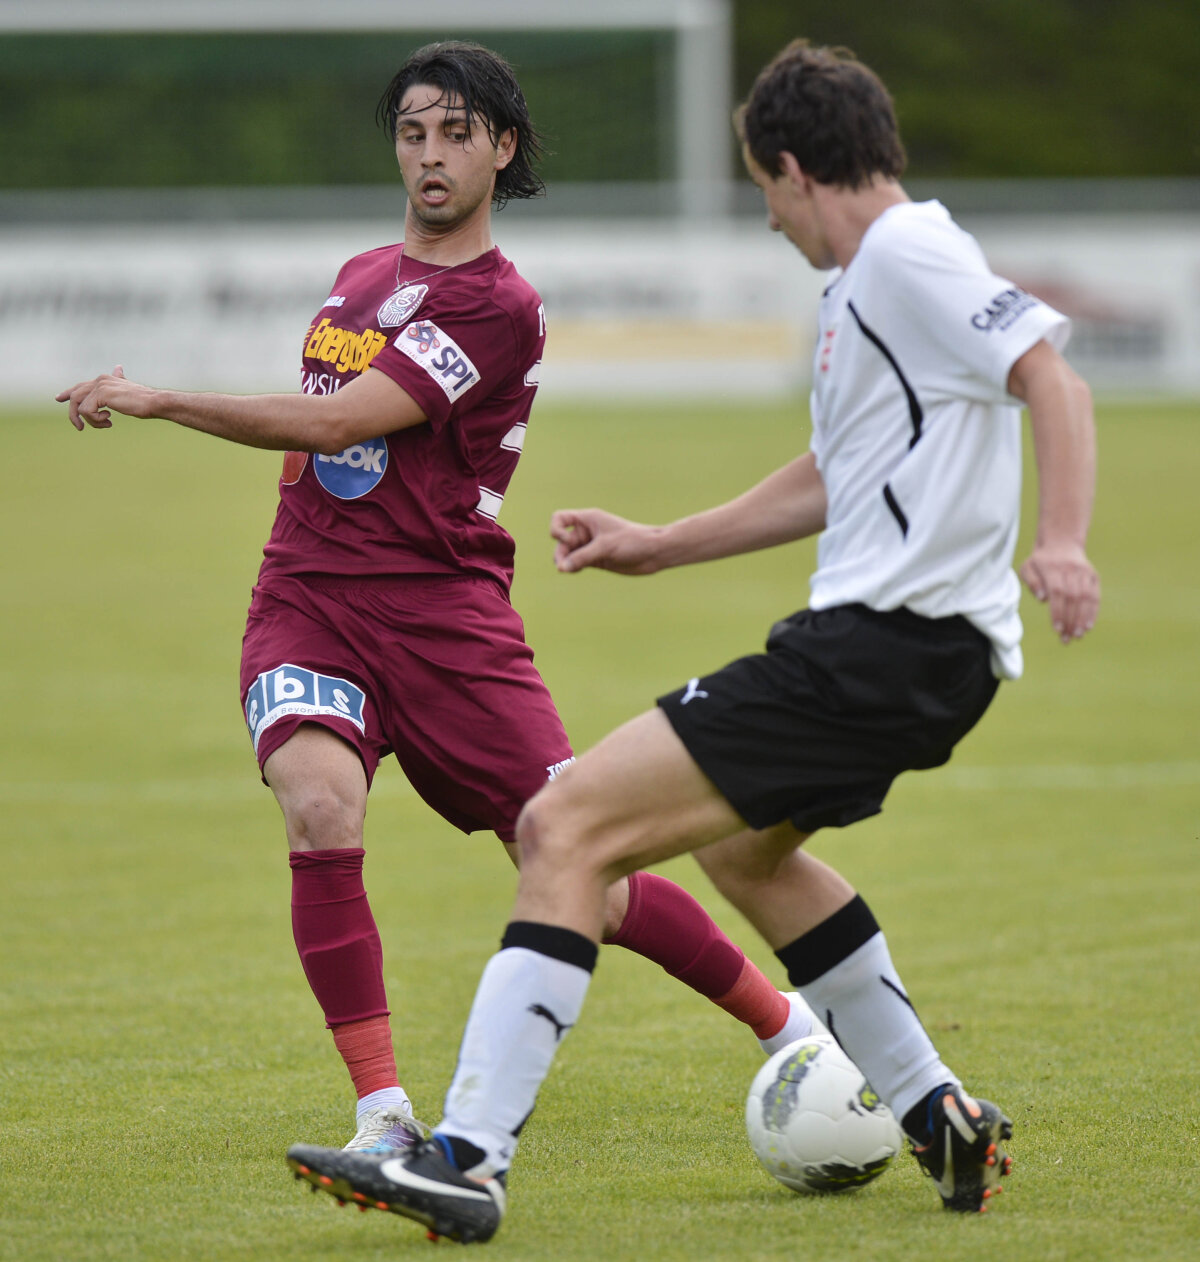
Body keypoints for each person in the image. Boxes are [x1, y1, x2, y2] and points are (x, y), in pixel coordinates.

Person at [283, 37, 1101, 1242]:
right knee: (749, 854)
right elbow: (838, 471)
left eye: (763, 193)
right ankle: (940, 1112)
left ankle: (464, 1156)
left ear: (791, 166)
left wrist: (1066, 540)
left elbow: (1054, 380)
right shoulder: (869, 286)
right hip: (934, 657)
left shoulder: (905, 255)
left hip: (874, 645)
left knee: (566, 828)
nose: (769, 222)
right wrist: (661, 542)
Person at [56, 41, 817, 1158]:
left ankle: (790, 1026)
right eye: (412, 132)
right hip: (310, 597)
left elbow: (335, 423)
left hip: (447, 622)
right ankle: (382, 1114)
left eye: (456, 133)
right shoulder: (362, 274)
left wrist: (162, 393)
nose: (429, 154)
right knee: (319, 803)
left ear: (502, 149)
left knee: (584, 864)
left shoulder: (498, 305)